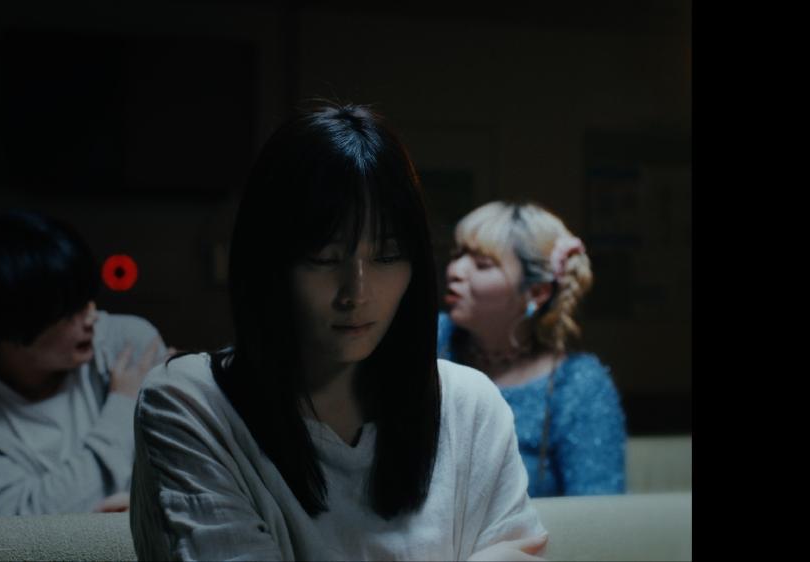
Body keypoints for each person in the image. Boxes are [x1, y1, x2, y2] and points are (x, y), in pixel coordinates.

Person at [130, 103, 548, 561]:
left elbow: (519, 549)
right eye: (324, 258)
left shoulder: (468, 404)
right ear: (268, 261)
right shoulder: (192, 402)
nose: (357, 292)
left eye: (387, 256)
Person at [0, 210, 168, 516]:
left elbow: (180, 471)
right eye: (70, 312)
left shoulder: (126, 345)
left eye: (86, 300)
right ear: (10, 329)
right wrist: (124, 406)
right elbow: (23, 522)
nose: (91, 316)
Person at [438, 201, 625, 497]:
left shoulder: (578, 386)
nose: (455, 271)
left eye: (482, 264)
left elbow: (599, 510)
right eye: (457, 255)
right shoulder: (430, 341)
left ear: (536, 292)